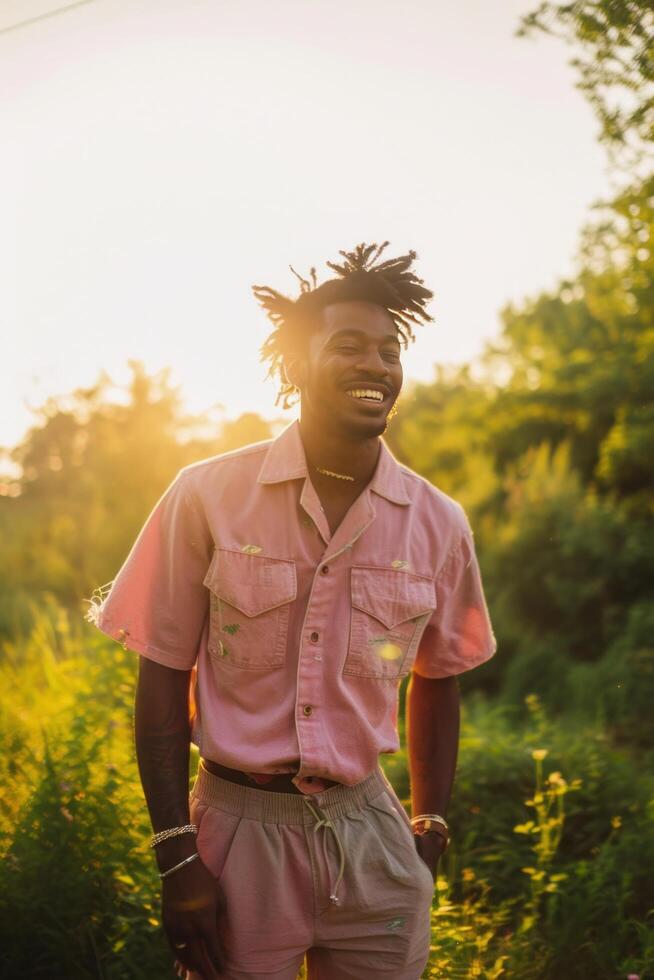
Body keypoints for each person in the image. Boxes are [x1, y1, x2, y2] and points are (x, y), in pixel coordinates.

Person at [88, 242, 496, 980]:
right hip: (238, 833)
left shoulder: (440, 522)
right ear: (297, 364)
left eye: (389, 350)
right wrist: (176, 851)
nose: (376, 365)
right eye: (349, 346)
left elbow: (440, 674)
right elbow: (161, 675)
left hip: (371, 831)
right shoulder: (207, 495)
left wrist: (429, 821)